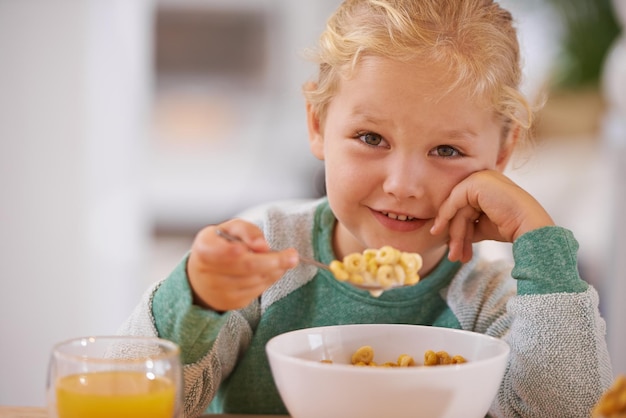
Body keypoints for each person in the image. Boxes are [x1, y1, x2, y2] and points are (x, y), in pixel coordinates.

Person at [120, 0, 614, 416]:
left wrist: (539, 241)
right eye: (370, 138)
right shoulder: (262, 252)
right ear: (317, 123)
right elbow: (133, 393)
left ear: (501, 154)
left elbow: (567, 409)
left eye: (446, 151)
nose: (402, 185)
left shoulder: (498, 297)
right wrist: (199, 299)